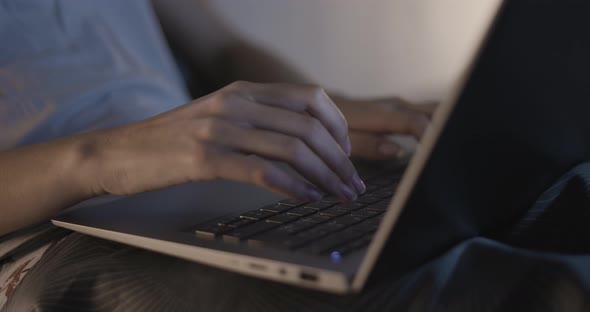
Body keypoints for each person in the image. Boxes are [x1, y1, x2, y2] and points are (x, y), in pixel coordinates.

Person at [0, 0, 434, 310]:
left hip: (200, 175)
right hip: (46, 228)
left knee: (442, 235)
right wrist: (102, 157)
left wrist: (321, 113)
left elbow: (221, 47)